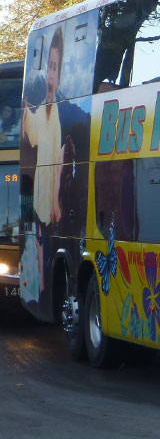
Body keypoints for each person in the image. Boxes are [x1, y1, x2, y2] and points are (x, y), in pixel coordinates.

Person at [20, 28, 66, 304]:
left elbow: (60, 160)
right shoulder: (43, 113)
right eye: (48, 66)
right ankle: (41, 296)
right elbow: (33, 136)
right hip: (39, 204)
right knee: (40, 249)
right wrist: (24, 108)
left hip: (50, 208)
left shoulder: (60, 113)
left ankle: (44, 296)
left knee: (45, 252)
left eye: (55, 69)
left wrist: (57, 202)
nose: (50, 75)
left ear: (59, 77)